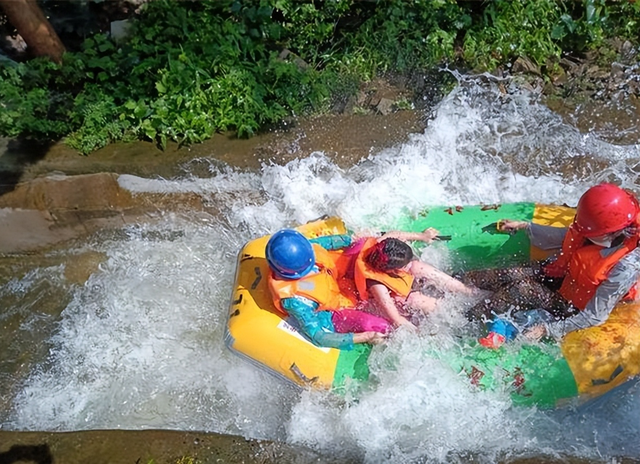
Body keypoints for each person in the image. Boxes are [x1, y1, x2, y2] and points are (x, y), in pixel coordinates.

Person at [467, 183, 640, 341]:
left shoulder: (626, 267)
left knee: (521, 289)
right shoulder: (599, 231)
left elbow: (594, 316)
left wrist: (548, 329)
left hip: (573, 307)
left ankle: (465, 319)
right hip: (565, 277)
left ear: (613, 233)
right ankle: (457, 281)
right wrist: (525, 226)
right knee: (510, 274)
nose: (585, 234)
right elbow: (569, 235)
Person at [266, 229, 391, 350]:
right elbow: (318, 336)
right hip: (333, 311)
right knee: (381, 327)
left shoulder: (306, 248)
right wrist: (366, 336)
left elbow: (329, 241)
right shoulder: (295, 300)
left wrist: (353, 238)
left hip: (336, 278)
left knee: (363, 242)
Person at [349, 229, 479, 328]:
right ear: (390, 270)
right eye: (405, 265)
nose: (408, 264)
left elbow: (396, 234)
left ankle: (467, 291)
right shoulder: (377, 286)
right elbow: (396, 319)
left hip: (395, 277)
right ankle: (458, 314)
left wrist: (423, 236)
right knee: (415, 299)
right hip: (390, 298)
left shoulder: (381, 245)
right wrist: (416, 333)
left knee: (416, 267)